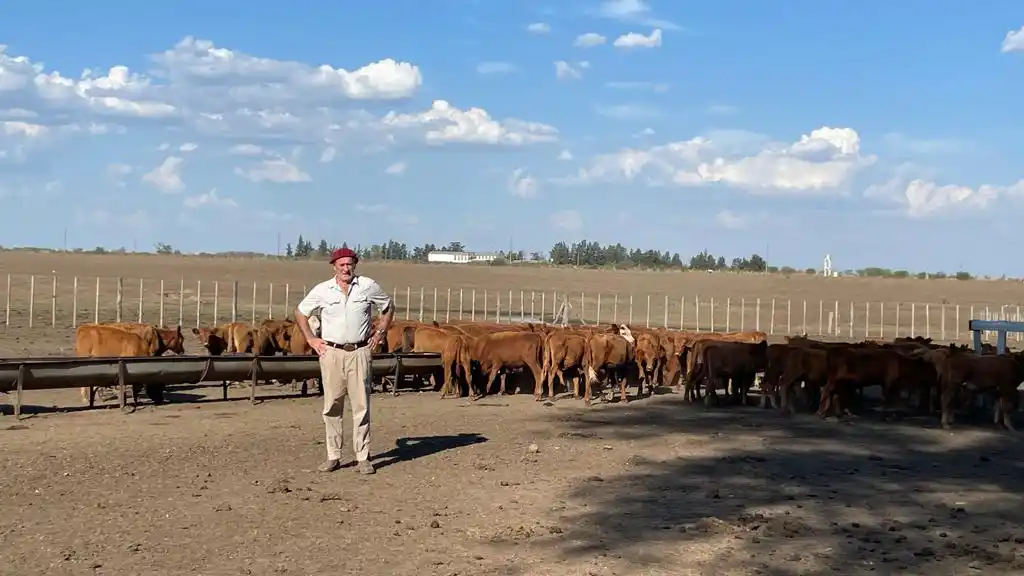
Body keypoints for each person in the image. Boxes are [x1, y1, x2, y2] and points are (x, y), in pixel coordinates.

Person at [294, 246, 395, 475]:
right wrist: (311, 339)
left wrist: (380, 333)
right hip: (331, 352)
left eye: (349, 264)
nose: (346, 268)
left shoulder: (368, 286)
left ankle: (362, 457)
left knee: (361, 406)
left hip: (359, 351)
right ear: (334, 267)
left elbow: (387, 307)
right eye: (342, 265)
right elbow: (301, 312)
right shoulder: (322, 290)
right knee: (332, 405)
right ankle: (333, 456)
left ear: (355, 265)